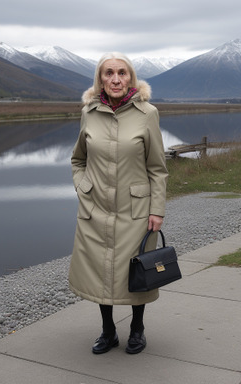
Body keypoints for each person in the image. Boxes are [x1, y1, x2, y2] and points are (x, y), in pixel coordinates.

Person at [69, 52, 168, 355]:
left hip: (135, 212)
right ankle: (108, 331)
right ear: (100, 78)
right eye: (108, 73)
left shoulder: (147, 113)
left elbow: (157, 168)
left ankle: (137, 330)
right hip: (95, 210)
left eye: (122, 73)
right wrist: (84, 188)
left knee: (136, 270)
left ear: (131, 78)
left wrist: (157, 209)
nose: (115, 79)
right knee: (101, 271)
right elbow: (78, 160)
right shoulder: (89, 112)